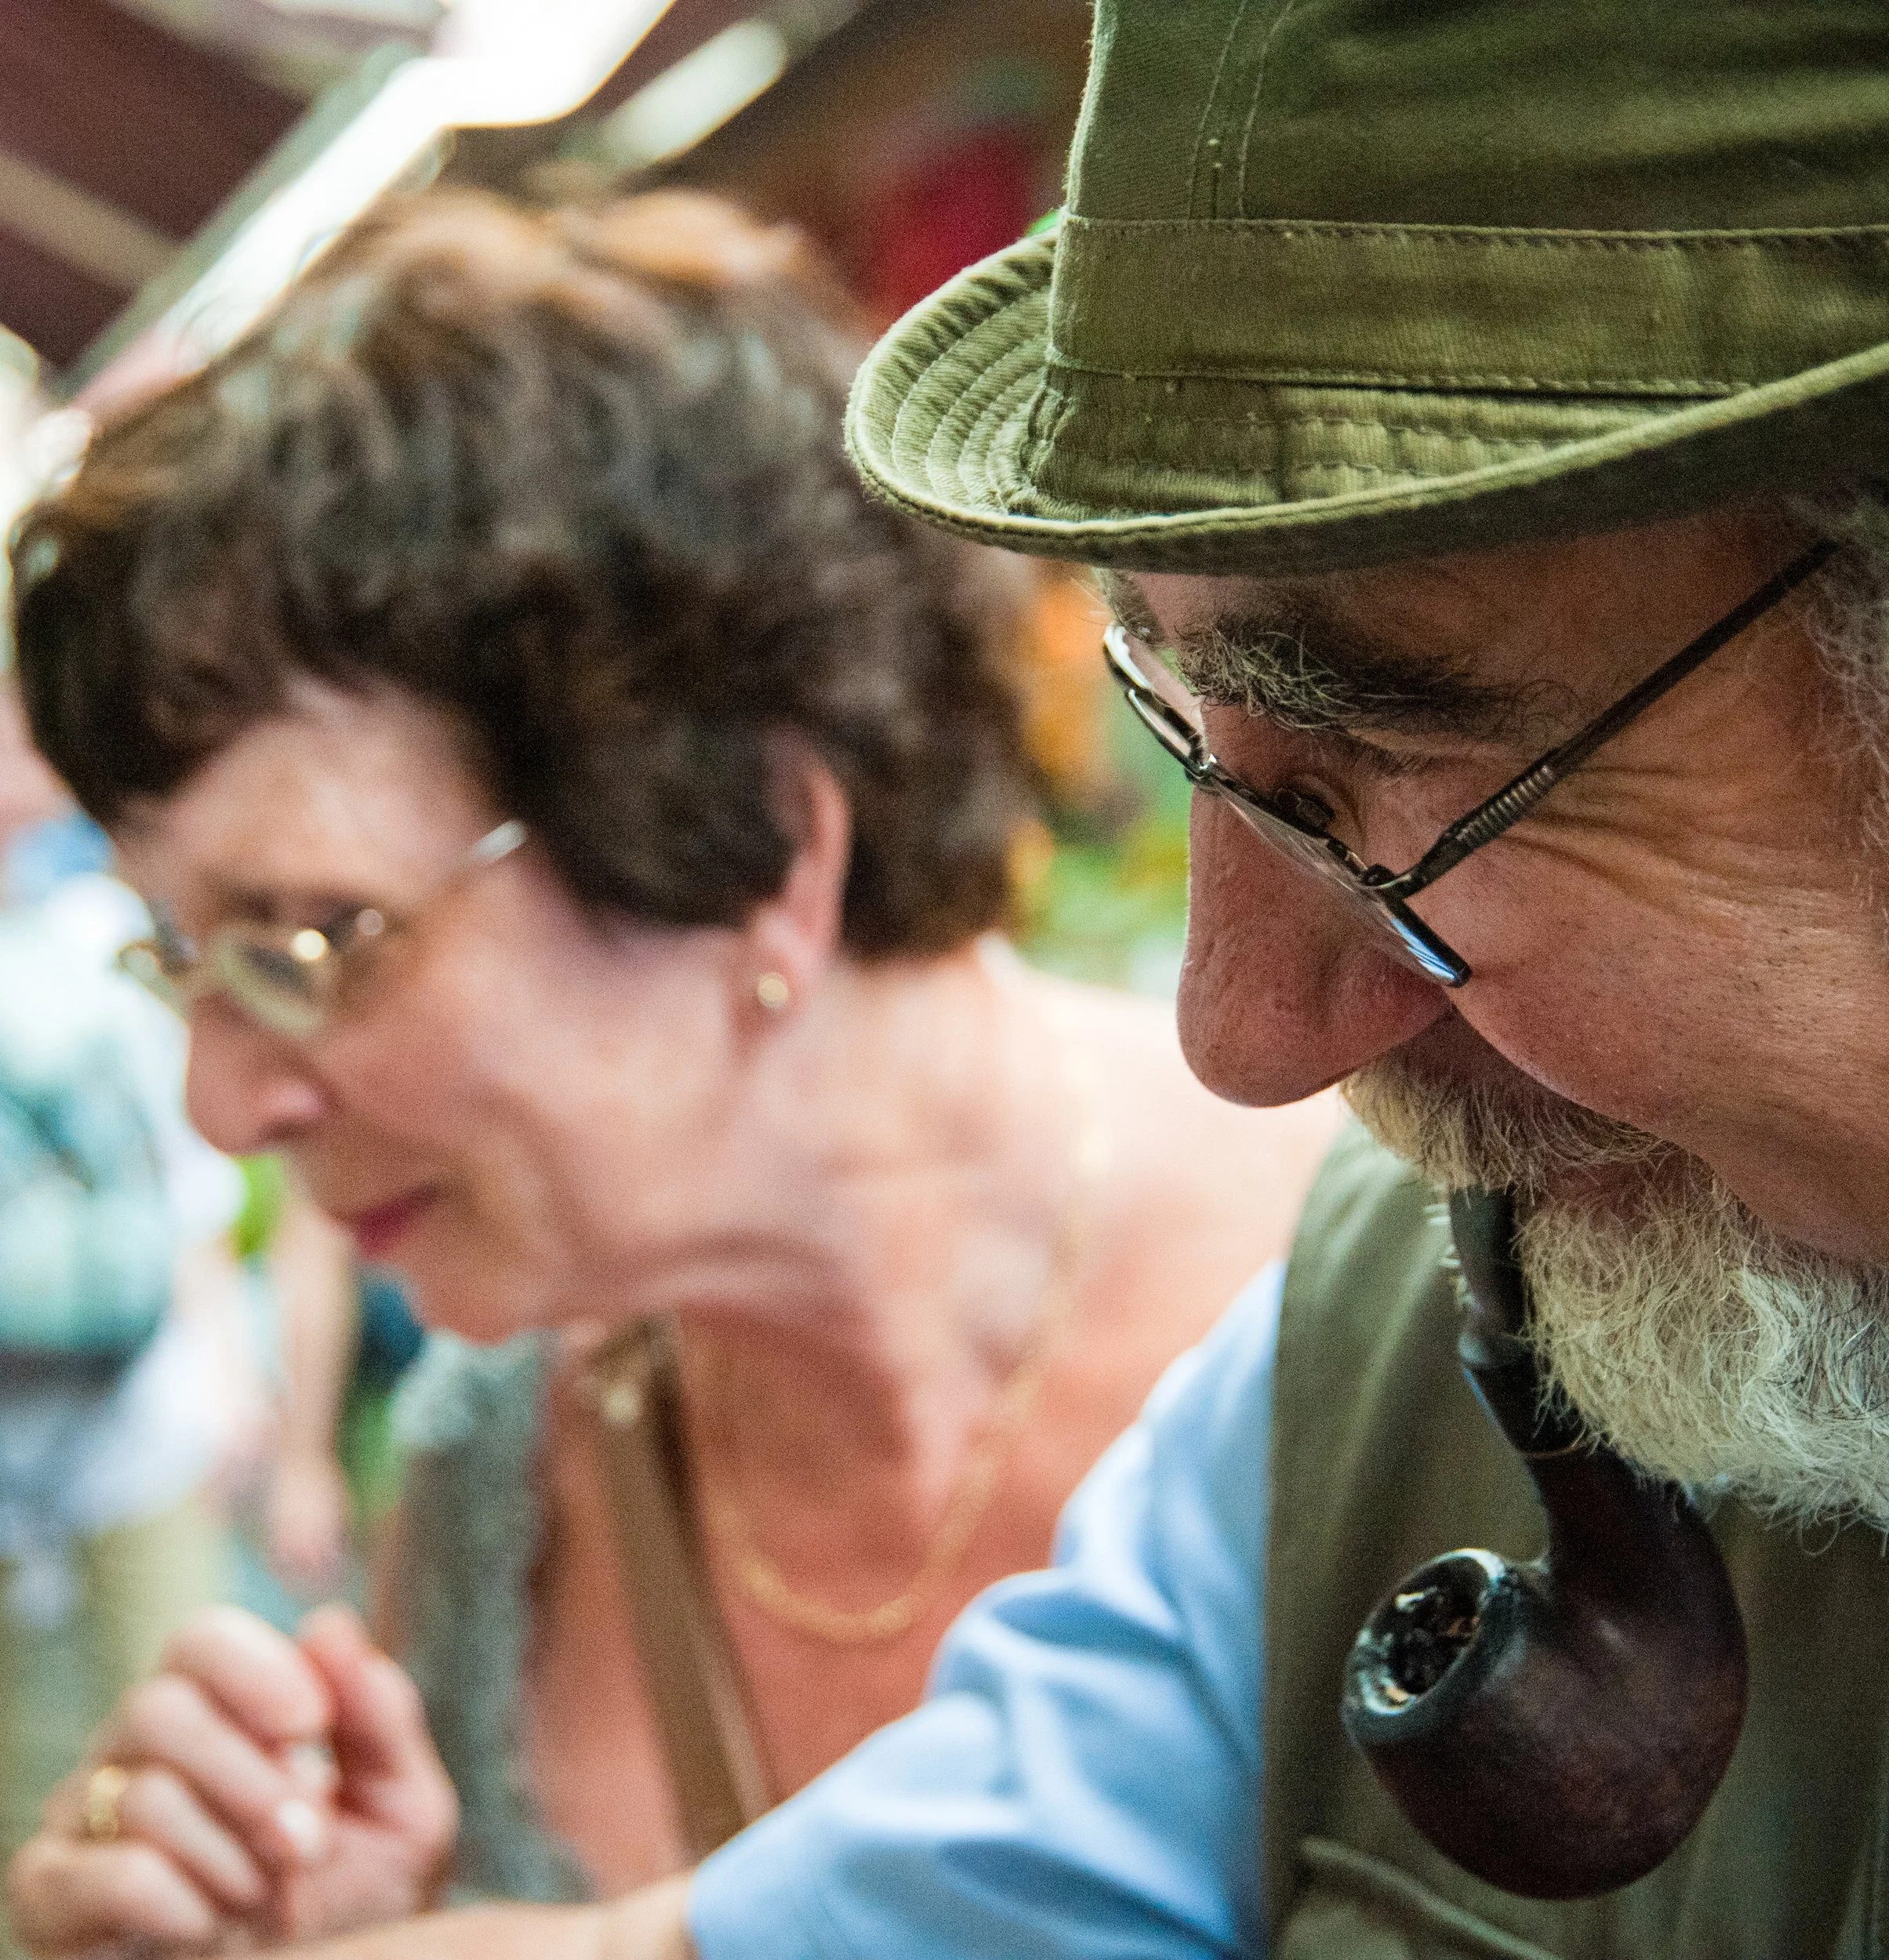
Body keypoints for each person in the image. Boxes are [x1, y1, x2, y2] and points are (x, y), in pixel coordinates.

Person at [1, 183, 1337, 1954]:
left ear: (752, 840)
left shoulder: (1399, 1312)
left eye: (306, 939)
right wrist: (329, 1924)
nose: (221, 1104)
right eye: (181, 962)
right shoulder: (502, 1475)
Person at [0, 680, 245, 1940]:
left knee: (180, 1726)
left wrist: (230, 1370)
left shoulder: (97, 924)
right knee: (27, 1788)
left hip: (135, 1431)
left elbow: (180, 1172)